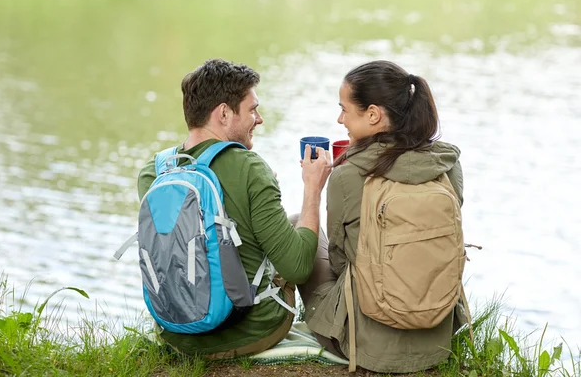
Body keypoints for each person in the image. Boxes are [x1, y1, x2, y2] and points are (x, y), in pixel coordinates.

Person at [137, 58, 332, 359]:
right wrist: (313, 191)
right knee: (304, 224)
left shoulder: (155, 171)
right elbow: (297, 268)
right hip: (249, 331)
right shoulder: (250, 168)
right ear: (224, 113)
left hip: (177, 334)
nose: (260, 119)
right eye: (252, 109)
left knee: (289, 222)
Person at [299, 60, 465, 373]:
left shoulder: (346, 177)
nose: (340, 119)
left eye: (345, 109)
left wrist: (314, 188)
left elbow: (338, 261)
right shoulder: (447, 166)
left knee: (301, 227)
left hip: (367, 347)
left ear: (373, 114)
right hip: (437, 341)